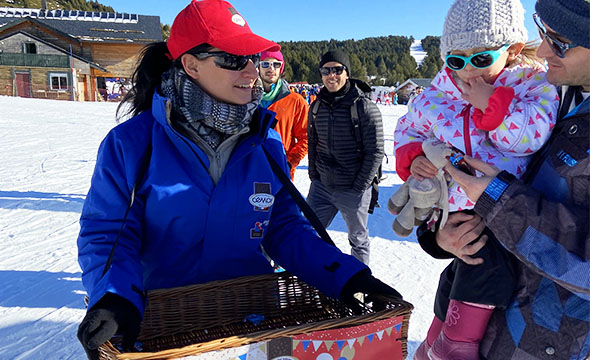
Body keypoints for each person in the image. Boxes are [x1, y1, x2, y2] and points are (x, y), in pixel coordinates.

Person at [75, 2, 401, 359]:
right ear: (191, 65)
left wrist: (346, 276)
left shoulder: (266, 139)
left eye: (253, 57)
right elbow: (109, 233)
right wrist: (115, 298)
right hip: (161, 325)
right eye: (233, 58)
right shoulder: (132, 145)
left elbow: (284, 228)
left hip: (254, 322)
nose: (252, 71)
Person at [393, 0, 559, 358]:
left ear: (512, 50)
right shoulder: (439, 93)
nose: (468, 72)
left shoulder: (533, 86)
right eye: (457, 60)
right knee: (455, 272)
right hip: (452, 206)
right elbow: (409, 127)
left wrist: (494, 105)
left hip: (501, 208)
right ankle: (435, 338)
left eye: (481, 58)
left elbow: (531, 134)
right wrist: (414, 156)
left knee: (483, 268)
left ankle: (456, 344)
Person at [436, 0, 590, 359]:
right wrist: (444, 234)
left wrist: (498, 200)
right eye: (542, 32)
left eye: (562, 41)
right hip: (486, 318)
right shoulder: (544, 92)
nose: (545, 50)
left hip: (545, 341)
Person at [307, 49, 384, 265]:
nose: (331, 75)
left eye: (337, 69)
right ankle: (313, 276)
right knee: (307, 231)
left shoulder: (365, 108)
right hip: (322, 187)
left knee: (358, 240)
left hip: (353, 189)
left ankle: (359, 286)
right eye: (326, 70)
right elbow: (312, 142)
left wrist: (359, 186)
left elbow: (376, 152)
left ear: (346, 72)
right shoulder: (316, 106)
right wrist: (314, 175)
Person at [259, 49, 309, 180]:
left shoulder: (296, 101)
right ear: (258, 67)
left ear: (281, 68)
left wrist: (289, 162)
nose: (271, 68)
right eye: (265, 64)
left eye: (276, 64)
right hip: (249, 171)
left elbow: (307, 137)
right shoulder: (245, 98)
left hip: (281, 174)